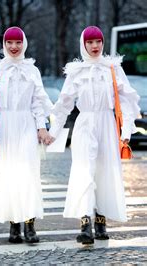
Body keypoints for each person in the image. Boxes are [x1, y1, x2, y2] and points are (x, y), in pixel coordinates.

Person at [49, 26, 140, 245]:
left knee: (105, 172)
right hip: (85, 123)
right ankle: (85, 224)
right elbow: (64, 103)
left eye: (98, 41)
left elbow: (128, 99)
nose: (95, 46)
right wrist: (53, 132)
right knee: (83, 171)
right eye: (90, 42)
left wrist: (126, 131)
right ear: (84, 44)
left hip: (107, 124)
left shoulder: (113, 69)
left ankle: (101, 221)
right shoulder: (76, 72)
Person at [0, 26, 53, 244]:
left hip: (26, 124)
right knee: (8, 175)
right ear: (4, 45)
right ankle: (14, 225)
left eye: (18, 42)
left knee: (28, 173)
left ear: (24, 43)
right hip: (5, 126)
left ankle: (29, 224)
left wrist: (41, 127)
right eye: (10, 43)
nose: (14, 47)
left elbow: (38, 101)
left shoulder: (31, 70)